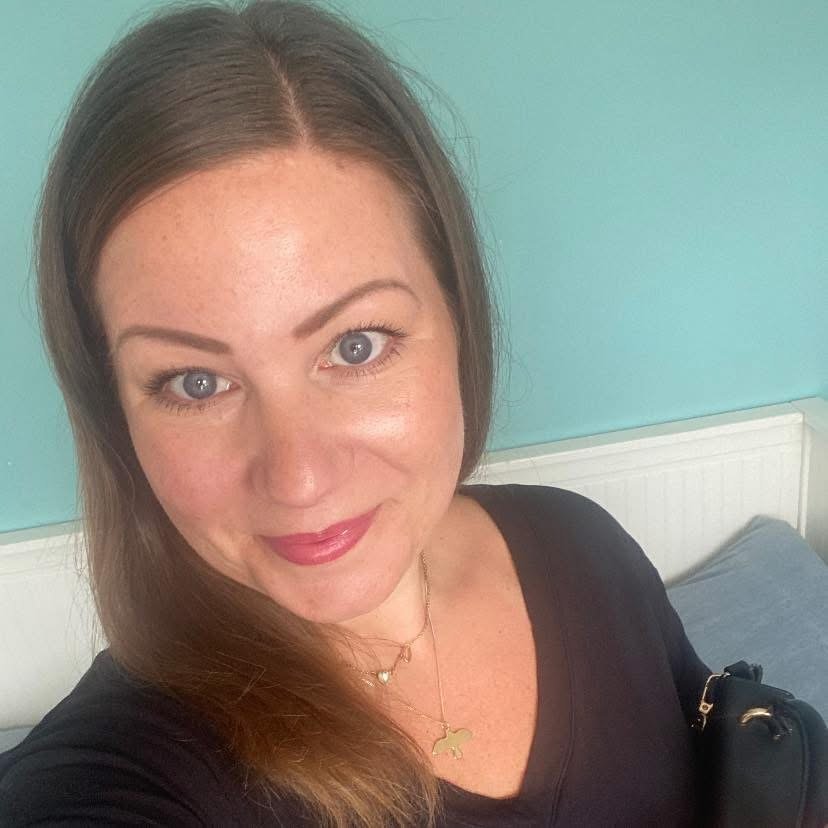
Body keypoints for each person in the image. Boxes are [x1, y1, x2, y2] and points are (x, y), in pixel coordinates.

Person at [0, 2, 709, 825]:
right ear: (115, 415)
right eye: (195, 383)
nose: (299, 477)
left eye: (355, 345)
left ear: (457, 317)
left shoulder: (582, 548)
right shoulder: (118, 771)